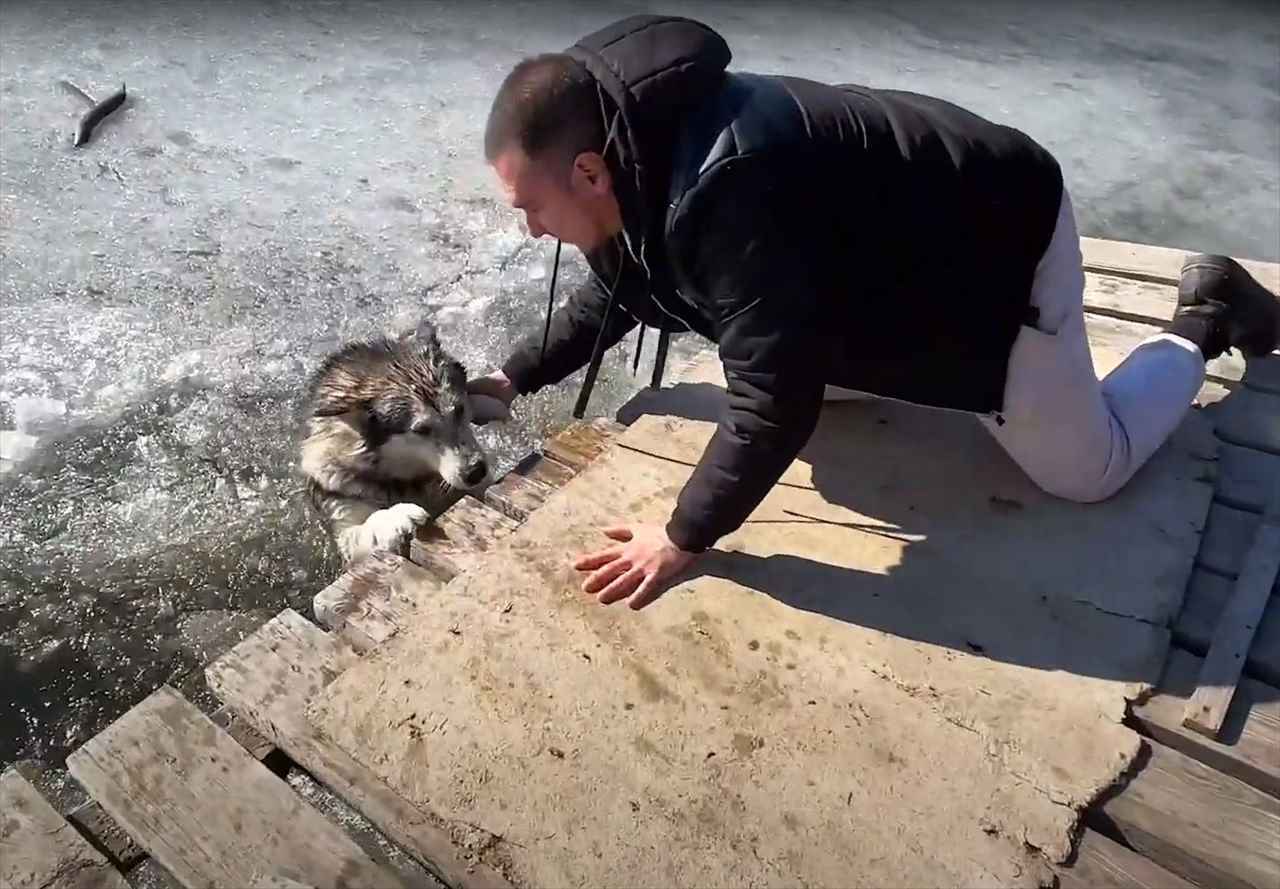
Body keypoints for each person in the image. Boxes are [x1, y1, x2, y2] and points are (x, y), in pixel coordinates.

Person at [467, 14, 1280, 612]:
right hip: (892, 251)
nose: (529, 228)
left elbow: (772, 404)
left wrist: (681, 538)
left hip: (996, 241)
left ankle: (1204, 318)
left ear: (586, 172)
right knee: (798, 374)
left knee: (1086, 470)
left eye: (530, 206)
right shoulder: (627, 153)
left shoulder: (723, 194)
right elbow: (615, 294)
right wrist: (511, 377)